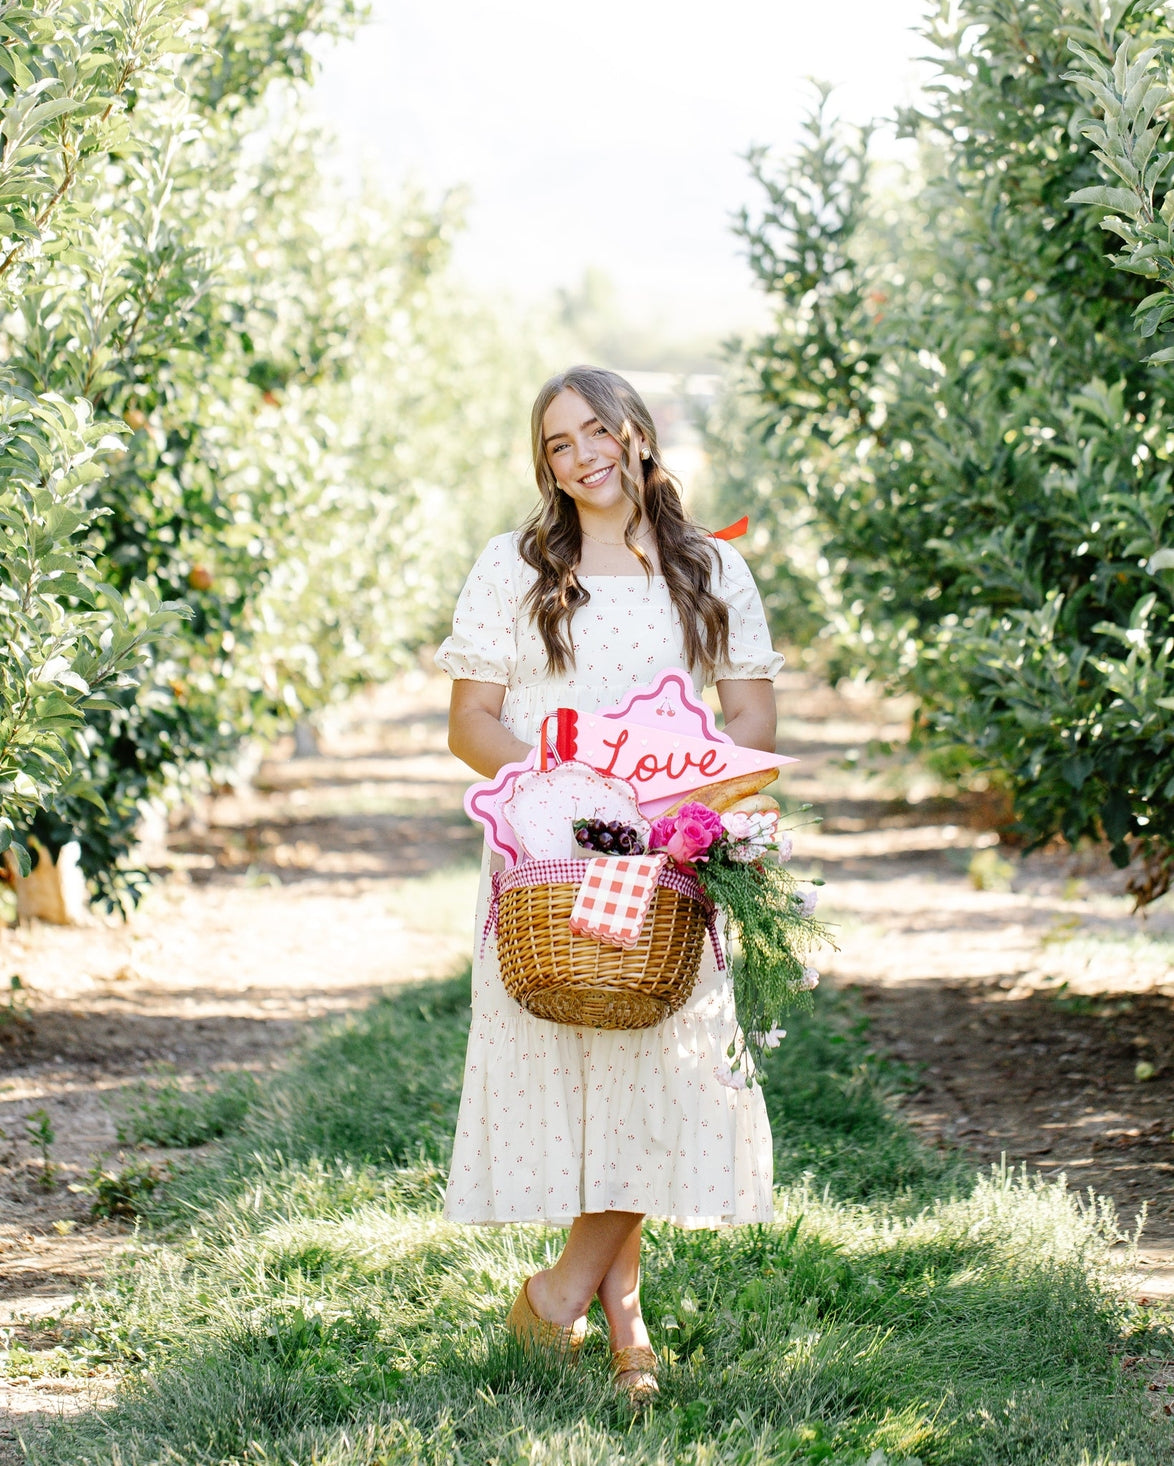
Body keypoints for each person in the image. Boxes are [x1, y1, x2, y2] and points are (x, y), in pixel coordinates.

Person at [435, 365, 784, 1403]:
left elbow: (752, 719)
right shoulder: (515, 565)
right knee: (576, 1043)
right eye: (556, 442)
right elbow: (472, 717)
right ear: (543, 462)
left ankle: (560, 1295)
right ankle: (622, 1316)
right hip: (549, 850)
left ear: (636, 432)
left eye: (596, 428)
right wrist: (555, 797)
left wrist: (678, 815)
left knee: (656, 1058)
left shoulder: (711, 568)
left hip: (666, 850)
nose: (581, 452)